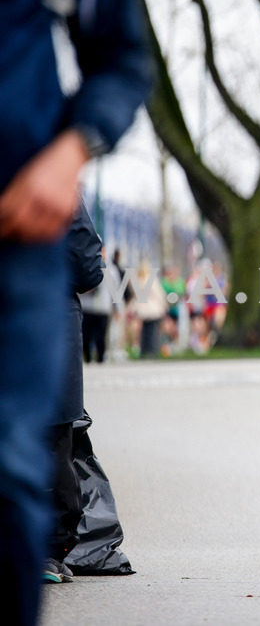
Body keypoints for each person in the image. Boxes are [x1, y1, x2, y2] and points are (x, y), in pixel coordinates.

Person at [0, 0, 151, 622]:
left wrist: (69, 151)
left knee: (14, 464)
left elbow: (123, 54)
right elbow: (91, 265)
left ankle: (49, 550)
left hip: (18, 237)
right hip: (57, 296)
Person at [44, 204, 104, 583]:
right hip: (48, 314)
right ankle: (49, 549)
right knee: (53, 434)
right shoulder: (55, 181)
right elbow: (87, 267)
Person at [81, 246, 122, 363]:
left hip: (103, 308)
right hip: (87, 307)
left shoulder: (111, 269)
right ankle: (88, 359)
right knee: (86, 335)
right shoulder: (87, 266)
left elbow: (116, 290)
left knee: (101, 336)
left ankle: (100, 359)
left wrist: (117, 308)